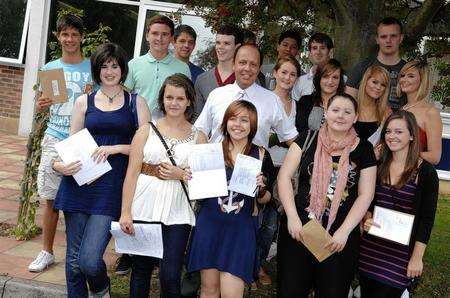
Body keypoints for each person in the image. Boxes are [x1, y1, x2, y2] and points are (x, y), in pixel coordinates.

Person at [53, 43, 150, 297]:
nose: (109, 71)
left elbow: (148, 149)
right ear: (97, 70)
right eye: (104, 66)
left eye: (114, 66)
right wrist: (60, 165)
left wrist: (116, 148)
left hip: (111, 189)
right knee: (73, 263)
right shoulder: (83, 102)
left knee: (88, 259)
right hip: (79, 184)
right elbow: (70, 145)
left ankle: (100, 289)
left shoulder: (136, 103)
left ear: (122, 69)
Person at [277, 93, 377, 298]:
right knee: (291, 290)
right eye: (335, 110)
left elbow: (366, 195)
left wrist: (345, 231)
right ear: (326, 112)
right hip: (300, 230)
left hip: (337, 239)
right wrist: (292, 217)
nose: (340, 116)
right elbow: (284, 177)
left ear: (355, 117)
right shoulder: (307, 138)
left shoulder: (364, 149)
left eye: (347, 112)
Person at [119, 74, 205, 298]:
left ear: (189, 101)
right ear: (162, 99)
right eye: (169, 97)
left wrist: (181, 174)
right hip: (145, 205)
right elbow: (131, 173)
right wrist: (126, 212)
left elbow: (206, 182)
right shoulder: (146, 130)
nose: (174, 103)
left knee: (170, 273)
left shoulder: (200, 136)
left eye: (179, 98)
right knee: (141, 270)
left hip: (178, 209)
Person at [188, 100, 275, 298]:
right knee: (209, 290)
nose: (238, 124)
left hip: (240, 232)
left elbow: (266, 199)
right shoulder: (211, 151)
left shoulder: (261, 155)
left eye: (244, 120)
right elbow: (200, 194)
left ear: (252, 125)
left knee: (231, 293)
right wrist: (193, 177)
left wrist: (261, 190)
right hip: (210, 227)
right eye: (233, 119)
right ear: (225, 122)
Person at [29, 14, 93, 273]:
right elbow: (44, 106)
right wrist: (41, 105)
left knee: (82, 200)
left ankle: (79, 255)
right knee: (51, 199)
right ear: (58, 37)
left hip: (82, 139)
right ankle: (47, 251)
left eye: (75, 35)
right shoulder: (51, 68)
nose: (70, 39)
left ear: (81, 37)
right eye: (65, 34)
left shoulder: (92, 67)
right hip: (55, 137)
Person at [359, 110, 439, 298]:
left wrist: (417, 258)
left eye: (398, 132)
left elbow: (427, 219)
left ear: (412, 135)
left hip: (400, 256)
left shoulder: (425, 172)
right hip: (370, 251)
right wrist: (367, 218)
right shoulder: (378, 165)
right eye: (388, 131)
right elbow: (367, 200)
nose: (392, 136)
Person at [195, 43, 298, 149]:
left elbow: (291, 137)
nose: (247, 68)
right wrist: (205, 157)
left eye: (253, 64)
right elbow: (200, 130)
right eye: (242, 62)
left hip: (255, 163)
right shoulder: (216, 95)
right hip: (216, 163)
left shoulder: (271, 100)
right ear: (233, 65)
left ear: (259, 69)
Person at [256, 56, 302, 287]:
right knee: (264, 220)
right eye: (283, 72)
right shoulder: (264, 99)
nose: (287, 78)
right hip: (266, 166)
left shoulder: (297, 103)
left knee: (278, 221)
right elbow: (264, 134)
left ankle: (263, 262)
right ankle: (256, 266)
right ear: (274, 73)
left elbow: (296, 137)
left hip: (289, 168)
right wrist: (280, 138)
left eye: (292, 74)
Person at [124, 15, 191, 113]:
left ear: (172, 38)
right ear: (147, 36)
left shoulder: (183, 68)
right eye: (155, 33)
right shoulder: (133, 65)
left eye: (164, 34)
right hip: (138, 126)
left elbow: (187, 103)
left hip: (170, 126)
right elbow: (124, 99)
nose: (159, 38)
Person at [346, 17, 406, 110]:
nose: (388, 40)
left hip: (399, 123)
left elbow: (415, 106)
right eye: (383, 36)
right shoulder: (362, 67)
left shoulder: (408, 71)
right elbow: (347, 104)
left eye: (393, 36)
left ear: (401, 38)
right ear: (377, 39)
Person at [398, 60, 442, 165]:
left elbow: (435, 157)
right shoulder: (400, 110)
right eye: (402, 75)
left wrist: (402, 153)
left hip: (415, 176)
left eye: (411, 76)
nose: (404, 79)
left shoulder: (431, 112)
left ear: (422, 80)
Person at [194, 25, 243, 118]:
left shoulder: (246, 79)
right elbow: (197, 116)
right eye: (218, 43)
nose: (220, 47)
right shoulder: (202, 80)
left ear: (237, 47)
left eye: (226, 43)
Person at [295, 59, 345, 134]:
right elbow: (301, 131)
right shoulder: (305, 101)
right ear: (319, 78)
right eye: (326, 76)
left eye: (335, 77)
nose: (330, 81)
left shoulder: (347, 103)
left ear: (340, 80)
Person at [292, 32, 334, 100]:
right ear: (310, 53)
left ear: (330, 52)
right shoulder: (300, 82)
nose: (318, 52)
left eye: (322, 48)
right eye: (314, 48)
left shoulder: (342, 80)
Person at [355, 65, 390, 142]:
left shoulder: (386, 112)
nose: (378, 87)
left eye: (383, 85)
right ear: (366, 81)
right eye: (375, 82)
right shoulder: (350, 106)